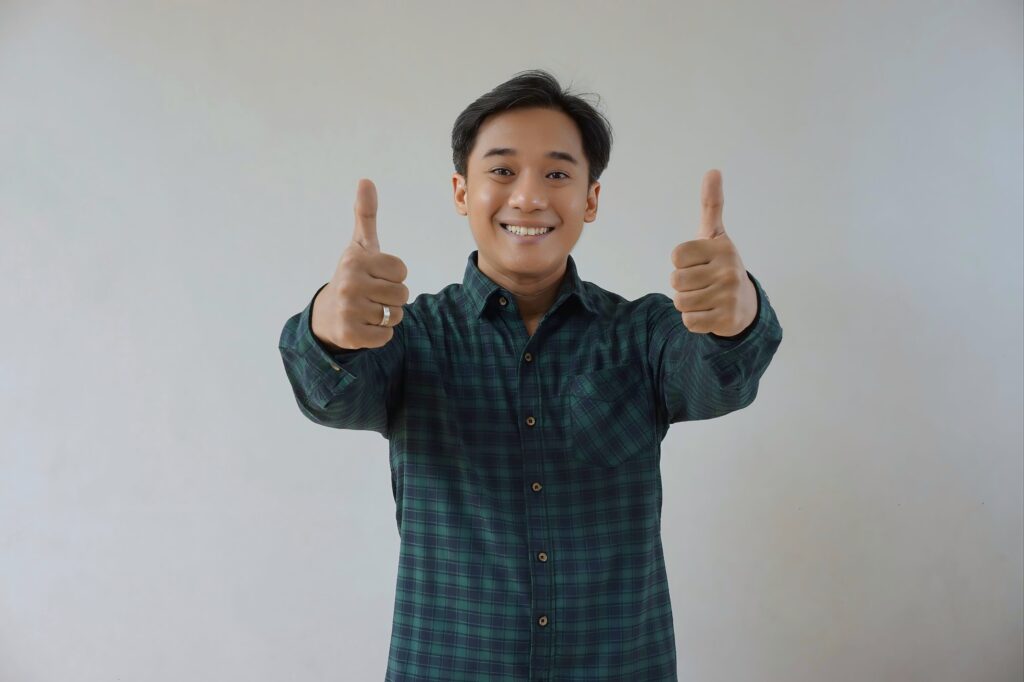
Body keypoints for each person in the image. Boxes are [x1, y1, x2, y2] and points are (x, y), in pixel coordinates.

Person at [278, 69, 783, 682]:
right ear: (462, 191)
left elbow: (719, 378)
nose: (528, 196)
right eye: (501, 170)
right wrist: (330, 326)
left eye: (557, 173)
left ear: (590, 198)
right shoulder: (409, 336)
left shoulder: (643, 332)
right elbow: (328, 394)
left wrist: (736, 317)